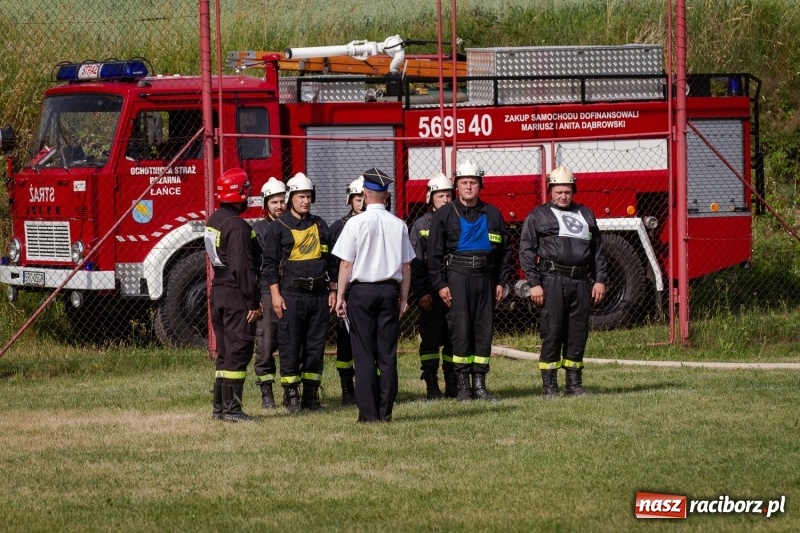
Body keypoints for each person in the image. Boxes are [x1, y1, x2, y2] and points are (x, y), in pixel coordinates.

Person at [332, 168, 415, 422]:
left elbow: (346, 264)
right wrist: (403, 298)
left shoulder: (354, 223)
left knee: (364, 353)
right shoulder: (399, 224)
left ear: (366, 195)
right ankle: (385, 412)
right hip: (389, 290)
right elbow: (406, 266)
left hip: (362, 292)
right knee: (387, 353)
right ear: (386, 196)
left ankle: (368, 414)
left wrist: (340, 295)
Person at [427, 160, 513, 402]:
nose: (468, 186)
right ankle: (463, 386)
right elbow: (433, 255)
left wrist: (501, 282)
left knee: (483, 331)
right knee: (461, 331)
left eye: (473, 182)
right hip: (458, 278)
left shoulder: (493, 213)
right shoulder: (444, 215)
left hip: (486, 279)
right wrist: (441, 285)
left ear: (480, 185)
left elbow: (506, 252)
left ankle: (480, 385)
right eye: (464, 182)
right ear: (457, 185)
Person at [519, 166, 607, 398]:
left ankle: (574, 384)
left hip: (581, 281)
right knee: (553, 331)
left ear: (573, 191)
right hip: (551, 280)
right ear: (550, 191)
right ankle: (549, 386)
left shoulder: (586, 214)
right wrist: (534, 283)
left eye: (567, 191)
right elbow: (526, 251)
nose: (563, 196)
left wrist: (599, 280)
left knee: (577, 332)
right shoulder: (538, 215)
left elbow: (597, 250)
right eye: (558, 191)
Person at [262, 172, 336, 413]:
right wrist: (275, 295)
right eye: (301, 196)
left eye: (309, 196)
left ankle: (311, 395)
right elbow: (270, 265)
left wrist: (333, 289)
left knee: (315, 346)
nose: (306, 201)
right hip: (291, 295)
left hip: (319, 295)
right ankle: (291, 394)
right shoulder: (279, 228)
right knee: (290, 345)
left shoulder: (320, 224)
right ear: (291, 197)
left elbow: (331, 260)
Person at [204, 167, 263, 422]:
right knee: (238, 349)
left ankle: (219, 408)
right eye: (246, 189)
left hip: (218, 291)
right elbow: (242, 266)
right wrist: (252, 300)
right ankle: (233, 410)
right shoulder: (237, 227)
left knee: (226, 351)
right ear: (239, 193)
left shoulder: (214, 219)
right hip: (236, 293)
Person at [409, 173, 456, 399]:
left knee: (453, 338)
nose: (445, 199)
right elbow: (415, 263)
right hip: (430, 291)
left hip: (455, 289)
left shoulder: (458, 221)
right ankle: (431, 383)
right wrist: (421, 292)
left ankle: (452, 382)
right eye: (440, 195)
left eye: (448, 195)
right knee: (430, 340)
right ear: (431, 197)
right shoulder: (420, 225)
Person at [328, 175, 364, 405]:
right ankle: (347, 387)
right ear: (350, 200)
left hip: (370, 288)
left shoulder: (381, 222)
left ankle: (371, 385)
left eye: (364, 198)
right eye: (357, 198)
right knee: (345, 340)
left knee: (371, 339)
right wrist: (334, 290)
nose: (361, 203)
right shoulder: (338, 227)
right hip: (347, 290)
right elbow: (332, 262)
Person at [251, 177, 286, 409]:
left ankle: (291, 393)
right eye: (274, 202)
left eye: (282, 201)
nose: (279, 206)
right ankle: (266, 394)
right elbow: (252, 266)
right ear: (266, 203)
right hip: (265, 290)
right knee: (265, 344)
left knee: (293, 345)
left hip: (291, 291)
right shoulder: (257, 230)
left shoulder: (295, 226)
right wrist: (256, 299)